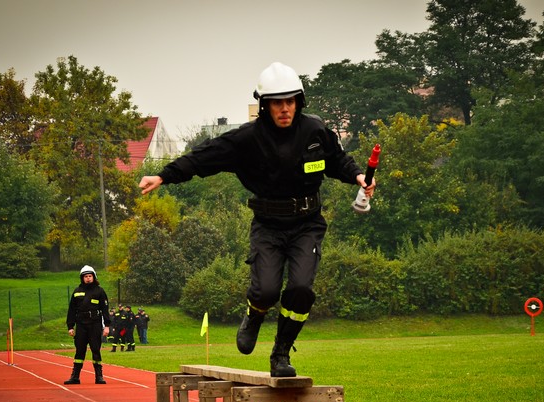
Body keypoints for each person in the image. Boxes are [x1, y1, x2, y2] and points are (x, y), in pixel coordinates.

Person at [139, 62, 375, 377]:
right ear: (265, 105)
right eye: (277, 103)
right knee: (266, 291)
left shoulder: (315, 130)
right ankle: (254, 314)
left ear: (299, 102)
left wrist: (358, 176)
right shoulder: (246, 140)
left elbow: (338, 160)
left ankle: (280, 354)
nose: (284, 109)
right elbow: (202, 157)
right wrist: (163, 176)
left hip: (307, 224)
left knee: (301, 290)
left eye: (290, 101)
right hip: (268, 226)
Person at [64, 265, 111, 384]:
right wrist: (70, 326)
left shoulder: (100, 291)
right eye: (85, 276)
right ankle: (75, 377)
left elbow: (105, 309)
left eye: (90, 276)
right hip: (81, 325)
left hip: (95, 324)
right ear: (82, 278)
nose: (88, 278)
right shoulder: (77, 291)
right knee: (79, 350)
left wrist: (107, 326)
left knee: (96, 349)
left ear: (94, 277)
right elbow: (71, 310)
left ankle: (99, 376)